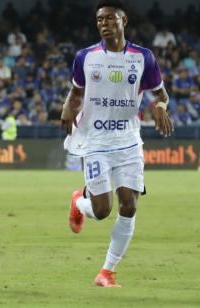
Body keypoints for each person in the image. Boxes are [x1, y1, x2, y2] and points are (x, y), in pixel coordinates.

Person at [62, 0, 173, 288]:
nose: (103, 23)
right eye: (99, 19)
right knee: (101, 211)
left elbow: (162, 94)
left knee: (129, 206)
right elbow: (76, 92)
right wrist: (67, 105)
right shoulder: (85, 57)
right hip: (97, 141)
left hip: (128, 140)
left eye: (110, 18)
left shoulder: (142, 57)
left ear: (124, 20)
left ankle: (107, 272)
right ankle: (79, 201)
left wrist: (160, 106)